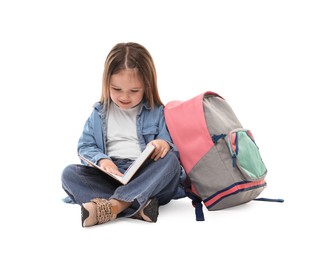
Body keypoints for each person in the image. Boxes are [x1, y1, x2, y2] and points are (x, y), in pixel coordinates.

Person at [61, 42, 184, 227]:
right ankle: (137, 207)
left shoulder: (158, 112)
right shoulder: (99, 112)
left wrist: (164, 144)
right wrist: (103, 161)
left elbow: (171, 146)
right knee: (69, 174)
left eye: (134, 91)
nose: (124, 97)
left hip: (147, 175)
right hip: (113, 176)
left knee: (171, 162)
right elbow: (85, 147)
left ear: (147, 86)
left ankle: (114, 206)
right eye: (116, 89)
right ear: (106, 83)